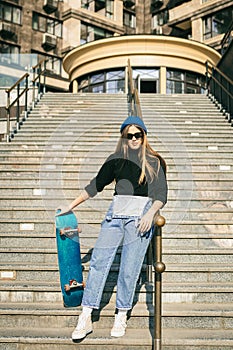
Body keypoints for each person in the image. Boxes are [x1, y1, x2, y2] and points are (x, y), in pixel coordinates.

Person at [59, 116, 167, 340]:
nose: (134, 139)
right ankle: (86, 315)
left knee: (129, 268)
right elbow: (94, 186)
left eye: (138, 134)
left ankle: (122, 313)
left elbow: (161, 195)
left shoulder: (153, 161)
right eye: (130, 135)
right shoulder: (115, 159)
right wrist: (69, 207)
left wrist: (150, 214)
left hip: (140, 217)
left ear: (144, 136)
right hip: (116, 214)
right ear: (124, 138)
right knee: (99, 260)